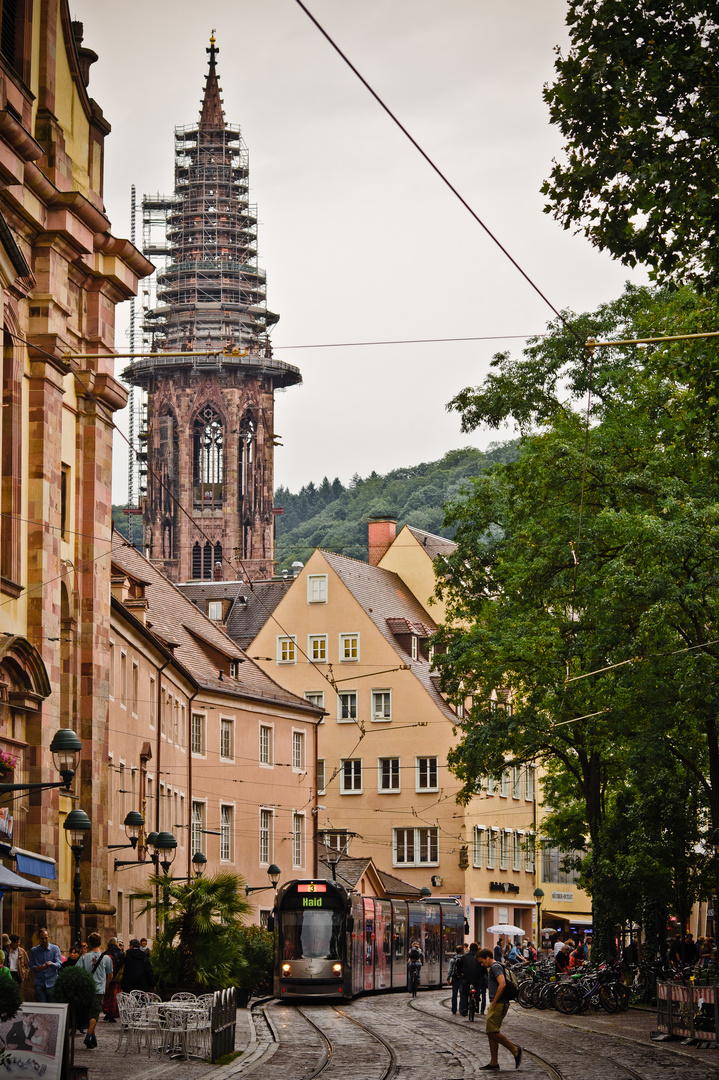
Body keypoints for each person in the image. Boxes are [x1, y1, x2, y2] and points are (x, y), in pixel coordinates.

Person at [478, 948, 522, 1070]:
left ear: (487, 958)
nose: (482, 964)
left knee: (491, 1031)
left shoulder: (495, 967)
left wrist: (495, 1001)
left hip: (499, 1003)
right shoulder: (495, 966)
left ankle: (515, 1050)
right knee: (491, 1032)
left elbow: (502, 984)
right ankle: (494, 1062)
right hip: (499, 1003)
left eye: (482, 962)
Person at [76, 932, 113, 1050]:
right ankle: (87, 1037)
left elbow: (77, 971)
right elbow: (110, 975)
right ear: (100, 942)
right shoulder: (106, 958)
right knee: (95, 1015)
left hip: (88, 989)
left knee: (91, 1014)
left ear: (90, 944)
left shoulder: (84, 957)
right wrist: (105, 986)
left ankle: (94, 1038)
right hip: (99, 989)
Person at [28, 928, 62, 1002]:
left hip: (52, 983)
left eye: (46, 938)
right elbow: (31, 966)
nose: (44, 940)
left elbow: (59, 964)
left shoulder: (55, 949)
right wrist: (40, 968)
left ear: (48, 937)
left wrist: (51, 964)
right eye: (42, 938)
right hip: (39, 983)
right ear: (39, 938)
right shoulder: (34, 951)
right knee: (41, 1006)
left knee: (52, 1006)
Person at [460, 942, 487, 1016]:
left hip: (466, 978)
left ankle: (464, 1008)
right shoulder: (480, 957)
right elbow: (484, 968)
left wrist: (460, 975)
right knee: (477, 991)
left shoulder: (464, 957)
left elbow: (460, 967)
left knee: (464, 993)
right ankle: (476, 1005)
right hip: (477, 978)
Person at [447, 943, 465, 1015]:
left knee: (454, 994)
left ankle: (454, 1009)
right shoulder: (464, 959)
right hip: (462, 978)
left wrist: (448, 978)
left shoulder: (453, 960)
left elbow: (450, 970)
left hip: (455, 978)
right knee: (462, 994)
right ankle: (461, 1009)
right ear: (461, 951)